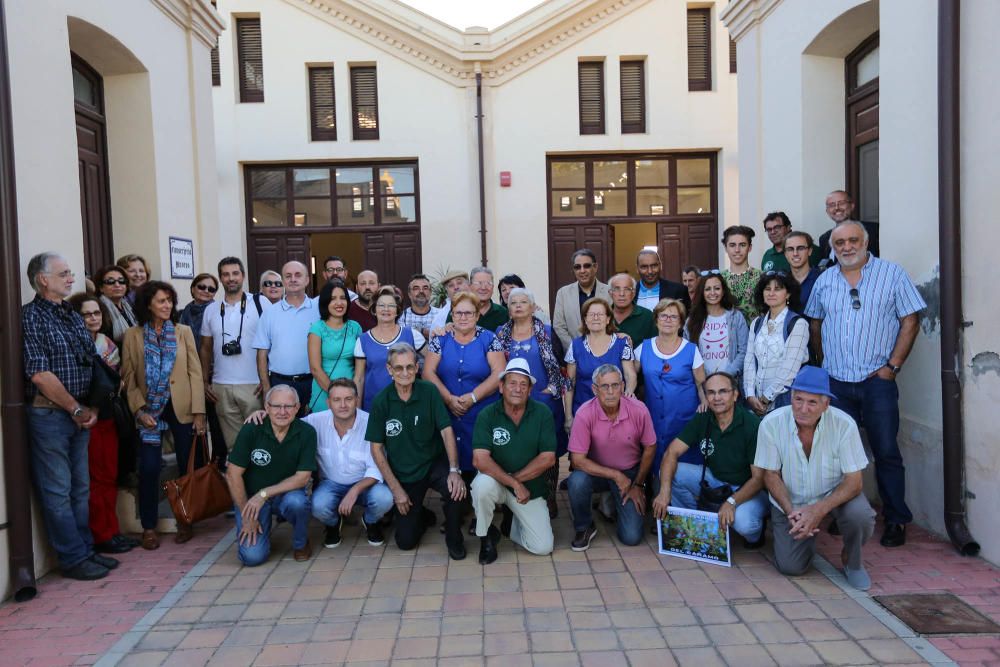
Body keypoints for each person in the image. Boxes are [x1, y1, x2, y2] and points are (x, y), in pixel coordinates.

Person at [806, 220, 925, 548]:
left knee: (886, 451)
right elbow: (815, 323)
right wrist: (823, 366)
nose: (846, 247)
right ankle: (843, 514)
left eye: (852, 240)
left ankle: (896, 519)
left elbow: (910, 319)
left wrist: (893, 367)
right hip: (837, 383)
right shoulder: (826, 280)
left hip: (877, 381)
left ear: (866, 242)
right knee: (837, 454)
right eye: (839, 242)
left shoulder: (892, 274)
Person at [23, 253, 116, 580]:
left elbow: (90, 362)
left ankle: (86, 550)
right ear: (43, 279)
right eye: (63, 274)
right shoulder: (32, 318)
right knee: (58, 491)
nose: (71, 278)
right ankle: (73, 558)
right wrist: (74, 409)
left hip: (81, 413)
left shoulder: (71, 315)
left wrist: (90, 407)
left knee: (81, 488)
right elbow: (39, 374)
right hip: (51, 416)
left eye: (70, 273)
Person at [754, 366, 875, 590]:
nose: (803, 409)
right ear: (790, 397)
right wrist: (792, 512)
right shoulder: (771, 424)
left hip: (833, 496)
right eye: (798, 399)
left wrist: (818, 511)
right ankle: (805, 538)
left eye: (812, 402)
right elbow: (770, 475)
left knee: (860, 515)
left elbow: (854, 481)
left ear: (826, 404)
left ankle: (853, 560)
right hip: (791, 503)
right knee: (791, 567)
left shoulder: (844, 425)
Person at [121, 280, 207, 549]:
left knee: (185, 466)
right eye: (161, 301)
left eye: (170, 300)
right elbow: (129, 377)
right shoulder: (133, 335)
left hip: (181, 408)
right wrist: (138, 409)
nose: (167, 305)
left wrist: (199, 412)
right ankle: (149, 526)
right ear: (148, 304)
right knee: (149, 468)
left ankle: (185, 519)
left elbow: (195, 372)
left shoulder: (183, 332)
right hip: (149, 411)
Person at [366, 343, 468, 559]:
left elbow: (446, 430)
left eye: (410, 367)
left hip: (432, 463)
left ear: (416, 368)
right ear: (389, 370)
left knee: (456, 490)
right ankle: (420, 514)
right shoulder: (381, 401)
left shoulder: (429, 391)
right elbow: (376, 449)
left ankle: (454, 537)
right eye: (399, 368)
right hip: (404, 473)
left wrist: (453, 470)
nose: (405, 373)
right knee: (405, 542)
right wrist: (396, 490)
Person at [652, 372, 768, 548]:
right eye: (711, 392)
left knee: (744, 524)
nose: (717, 398)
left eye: (723, 391)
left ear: (735, 394)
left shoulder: (751, 424)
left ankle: (756, 535)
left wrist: (731, 502)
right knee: (669, 473)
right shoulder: (703, 418)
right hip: (716, 481)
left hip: (747, 488)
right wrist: (664, 491)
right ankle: (698, 524)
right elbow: (671, 452)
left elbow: (759, 479)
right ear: (705, 396)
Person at [68, 293, 138, 555]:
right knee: (96, 479)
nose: (93, 318)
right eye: (86, 314)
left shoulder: (106, 343)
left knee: (109, 476)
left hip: (110, 417)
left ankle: (112, 530)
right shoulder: (77, 345)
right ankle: (101, 535)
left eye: (96, 313)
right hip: (89, 418)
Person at [490, 287, 570, 516]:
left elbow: (560, 365)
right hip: (510, 403)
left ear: (532, 307)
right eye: (513, 302)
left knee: (548, 452)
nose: (517, 305)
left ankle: (549, 496)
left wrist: (552, 389)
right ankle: (511, 494)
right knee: (512, 448)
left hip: (544, 402)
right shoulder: (500, 333)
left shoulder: (546, 331)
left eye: (523, 302)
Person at [471, 358, 557, 563]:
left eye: (523, 384)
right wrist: (513, 483)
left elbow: (548, 458)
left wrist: (515, 482)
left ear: (529, 390)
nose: (517, 389)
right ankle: (486, 538)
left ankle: (511, 526)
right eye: (512, 383)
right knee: (481, 486)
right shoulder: (487, 414)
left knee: (543, 547)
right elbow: (480, 460)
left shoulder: (542, 413)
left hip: (529, 488)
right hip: (499, 484)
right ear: (501, 387)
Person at [566, 364, 656, 550]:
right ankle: (584, 526)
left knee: (631, 537)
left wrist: (638, 484)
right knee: (576, 481)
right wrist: (615, 475)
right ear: (594, 389)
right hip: (596, 472)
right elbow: (577, 460)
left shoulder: (639, 410)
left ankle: (614, 504)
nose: (611, 392)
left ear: (623, 386)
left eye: (615, 385)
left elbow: (650, 447)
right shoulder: (584, 413)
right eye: (604, 387)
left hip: (630, 473)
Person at [226, 385, 316, 565]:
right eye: (276, 406)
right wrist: (247, 516)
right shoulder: (252, 429)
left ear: (297, 408)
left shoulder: (306, 432)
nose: (282, 412)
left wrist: (264, 493)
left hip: (286, 494)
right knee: (252, 557)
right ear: (266, 408)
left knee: (298, 503)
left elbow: (303, 477)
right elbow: (232, 474)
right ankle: (261, 531)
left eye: (288, 406)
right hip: (252, 498)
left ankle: (300, 543)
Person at [424, 292, 504, 486]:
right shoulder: (440, 339)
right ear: (452, 314)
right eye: (458, 313)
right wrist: (449, 399)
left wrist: (473, 397)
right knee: (451, 461)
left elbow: (499, 373)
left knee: (482, 462)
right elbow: (428, 373)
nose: (463, 317)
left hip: (481, 411)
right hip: (447, 411)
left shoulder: (489, 339)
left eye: (468, 313)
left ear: (477, 315)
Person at [304, 379, 393, 548]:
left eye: (348, 399)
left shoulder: (371, 422)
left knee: (385, 498)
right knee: (318, 505)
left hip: (365, 483)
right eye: (337, 400)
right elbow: (287, 424)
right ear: (328, 402)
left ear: (357, 400)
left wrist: (354, 490)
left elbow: (376, 468)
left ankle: (370, 521)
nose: (343, 405)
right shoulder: (315, 421)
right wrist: (262, 415)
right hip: (331, 483)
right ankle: (333, 523)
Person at [199, 257, 270, 458]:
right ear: (220, 278)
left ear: (243, 276)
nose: (231, 278)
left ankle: (260, 487)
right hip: (221, 386)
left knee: (259, 443)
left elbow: (274, 340)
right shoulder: (211, 310)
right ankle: (239, 487)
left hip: (253, 385)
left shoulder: (260, 302)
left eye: (235, 273)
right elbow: (205, 347)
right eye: (226, 274)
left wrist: (266, 378)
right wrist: (205, 381)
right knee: (234, 447)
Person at [635, 299, 707, 471]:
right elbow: (630, 376)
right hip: (653, 419)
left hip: (684, 420)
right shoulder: (643, 347)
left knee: (683, 467)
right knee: (654, 464)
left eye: (674, 317)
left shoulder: (691, 349)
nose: (668, 320)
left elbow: (701, 383)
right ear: (656, 320)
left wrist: (705, 402)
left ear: (681, 323)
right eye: (663, 316)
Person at [253, 261, 319, 413]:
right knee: (282, 432)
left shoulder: (319, 309)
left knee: (314, 431)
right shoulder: (270, 313)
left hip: (314, 383)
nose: (293, 279)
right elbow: (261, 354)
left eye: (298, 275)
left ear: (307, 280)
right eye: (288, 276)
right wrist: (267, 388)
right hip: (279, 384)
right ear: (283, 281)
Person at [744, 272, 809, 414]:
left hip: (784, 402)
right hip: (755, 403)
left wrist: (765, 399)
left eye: (777, 289)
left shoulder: (797, 324)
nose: (771, 293)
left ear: (788, 294)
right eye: (767, 289)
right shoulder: (757, 323)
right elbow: (749, 361)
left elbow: (789, 369)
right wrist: (750, 394)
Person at [564, 297, 636, 424]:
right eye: (591, 314)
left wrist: (629, 392)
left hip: (616, 413)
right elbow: (570, 382)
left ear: (608, 319)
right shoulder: (575, 345)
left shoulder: (622, 343)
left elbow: (630, 374)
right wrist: (568, 416)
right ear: (585, 319)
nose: (596, 317)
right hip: (583, 413)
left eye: (600, 314)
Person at [356, 286, 427, 409]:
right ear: (374, 309)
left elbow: (433, 363)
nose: (386, 309)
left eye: (391, 305)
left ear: (397, 310)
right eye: (381, 305)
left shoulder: (412, 335)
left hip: (408, 404)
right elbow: (359, 378)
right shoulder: (362, 340)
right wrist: (356, 411)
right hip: (374, 406)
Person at [307, 280, 362, 413]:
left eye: (343, 298)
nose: (339, 303)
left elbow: (360, 366)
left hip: (351, 393)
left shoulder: (355, 327)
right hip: (324, 392)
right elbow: (315, 369)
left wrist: (350, 395)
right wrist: (336, 394)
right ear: (325, 303)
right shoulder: (317, 329)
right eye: (333, 299)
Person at [685, 271, 749, 379]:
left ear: (723, 291)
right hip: (703, 382)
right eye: (708, 289)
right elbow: (688, 354)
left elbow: (744, 351)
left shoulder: (736, 317)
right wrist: (704, 377)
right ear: (702, 292)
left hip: (731, 382)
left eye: (717, 288)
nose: (713, 293)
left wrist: (727, 375)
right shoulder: (692, 320)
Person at [552, 249, 611, 351]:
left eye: (587, 266)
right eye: (577, 267)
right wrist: (576, 348)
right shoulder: (563, 293)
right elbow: (559, 326)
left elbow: (612, 323)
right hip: (574, 354)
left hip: (605, 352)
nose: (582, 270)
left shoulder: (609, 292)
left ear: (595, 267)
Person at [817, 190, 880, 264]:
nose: (837, 208)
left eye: (841, 203)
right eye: (832, 205)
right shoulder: (824, 238)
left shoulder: (873, 230)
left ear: (852, 206)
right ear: (827, 211)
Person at [720, 226, 762, 323]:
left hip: (756, 334)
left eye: (742, 245)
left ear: (750, 247)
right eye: (732, 245)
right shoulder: (719, 279)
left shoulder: (762, 277)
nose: (737, 250)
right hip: (726, 335)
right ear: (726, 248)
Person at [448, 267, 509, 332]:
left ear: (493, 287)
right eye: (479, 283)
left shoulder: (503, 313)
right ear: (470, 286)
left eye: (488, 283)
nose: (483, 287)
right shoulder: (459, 311)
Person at [607, 273, 656, 349]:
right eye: (617, 289)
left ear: (633, 293)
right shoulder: (602, 315)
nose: (622, 294)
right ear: (610, 293)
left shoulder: (647, 316)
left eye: (627, 289)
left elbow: (654, 347)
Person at [94, 265, 137, 343]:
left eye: (121, 281)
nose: (117, 285)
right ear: (101, 287)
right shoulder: (98, 309)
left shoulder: (129, 306)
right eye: (110, 282)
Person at [179, 273, 219, 352]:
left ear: (214, 293)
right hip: (190, 357)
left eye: (211, 289)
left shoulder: (218, 312)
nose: (206, 291)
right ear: (193, 289)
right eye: (202, 287)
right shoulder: (185, 311)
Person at [783, 231, 822, 307]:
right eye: (790, 249)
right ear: (785, 254)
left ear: (810, 251)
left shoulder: (822, 279)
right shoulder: (781, 281)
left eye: (800, 248)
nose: (795, 253)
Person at [400, 273, 441, 340]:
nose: (421, 291)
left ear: (430, 292)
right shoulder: (402, 317)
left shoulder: (440, 314)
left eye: (425, 288)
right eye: (416, 288)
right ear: (409, 294)